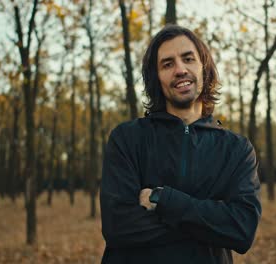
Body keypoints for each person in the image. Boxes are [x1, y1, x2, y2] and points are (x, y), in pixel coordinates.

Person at [100, 25, 261, 264]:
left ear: (204, 68)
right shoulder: (127, 139)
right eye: (167, 64)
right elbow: (118, 226)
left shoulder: (236, 150)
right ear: (156, 78)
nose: (180, 70)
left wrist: (164, 201)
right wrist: (211, 223)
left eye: (188, 59)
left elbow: (241, 229)